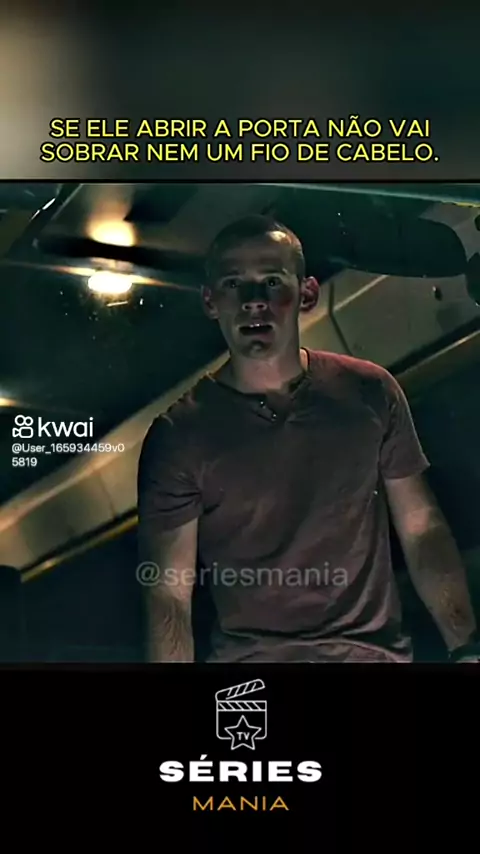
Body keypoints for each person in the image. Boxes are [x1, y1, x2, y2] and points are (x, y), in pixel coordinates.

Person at [137, 215, 479, 663]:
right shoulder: (179, 436)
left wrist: (466, 648)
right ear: (210, 300)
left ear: (307, 293)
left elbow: (422, 529)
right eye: (234, 284)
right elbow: (168, 594)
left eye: (272, 281)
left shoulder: (370, 392)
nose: (254, 301)